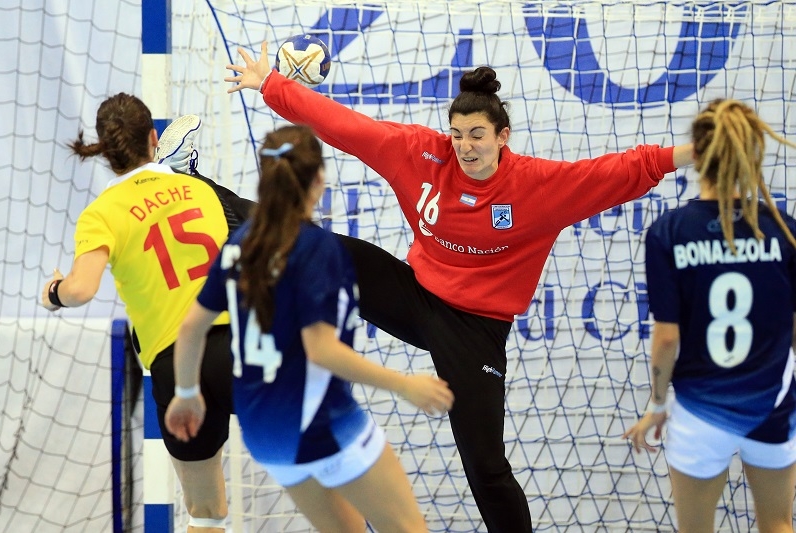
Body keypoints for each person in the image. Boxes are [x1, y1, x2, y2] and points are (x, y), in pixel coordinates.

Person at [223, 42, 695, 533]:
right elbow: (345, 127)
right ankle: (198, 184)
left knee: (486, 468)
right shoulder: (420, 154)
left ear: (502, 137)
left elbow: (627, 169)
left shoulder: (538, 187)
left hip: (476, 329)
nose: (465, 147)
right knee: (299, 239)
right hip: (415, 295)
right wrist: (272, 85)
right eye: (457, 135)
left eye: (477, 136)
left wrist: (697, 151)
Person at [164, 124, 455, 533]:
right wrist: (404, 384)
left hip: (266, 435)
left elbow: (192, 327)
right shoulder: (318, 250)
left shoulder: (240, 243)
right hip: (323, 424)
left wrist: (188, 394)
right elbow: (321, 350)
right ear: (319, 180)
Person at [40, 97, 252, 532]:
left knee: (206, 514)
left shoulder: (101, 213)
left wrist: (53, 294)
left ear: (104, 149)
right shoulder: (199, 189)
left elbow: (81, 289)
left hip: (175, 367)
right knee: (322, 465)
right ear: (155, 139)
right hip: (236, 346)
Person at [622, 99, 796, 533]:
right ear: (752, 152)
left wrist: (657, 405)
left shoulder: (670, 231)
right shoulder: (783, 228)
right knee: (777, 523)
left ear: (696, 155)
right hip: (774, 403)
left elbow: (666, 338)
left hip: (699, 413)